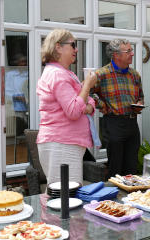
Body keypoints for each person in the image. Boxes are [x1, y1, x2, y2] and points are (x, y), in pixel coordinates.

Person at [37, 29, 97, 186]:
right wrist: (87, 86)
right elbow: (74, 110)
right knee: (65, 197)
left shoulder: (66, 73)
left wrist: (86, 101)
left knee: (66, 196)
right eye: (73, 45)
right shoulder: (58, 74)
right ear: (58, 47)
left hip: (65, 143)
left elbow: (87, 101)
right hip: (61, 143)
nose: (76, 49)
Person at [92, 39, 144, 178]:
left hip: (132, 124)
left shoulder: (135, 75)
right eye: (128, 51)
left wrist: (139, 104)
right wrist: (103, 106)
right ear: (116, 55)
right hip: (113, 123)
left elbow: (140, 96)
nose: (132, 54)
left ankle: (130, 198)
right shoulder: (101, 74)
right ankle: (115, 198)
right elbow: (86, 93)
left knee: (132, 168)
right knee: (115, 168)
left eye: (131, 50)